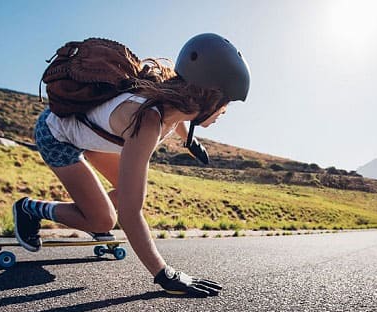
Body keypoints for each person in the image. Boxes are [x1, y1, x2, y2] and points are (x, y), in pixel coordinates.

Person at [13, 33, 250, 297]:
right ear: (210, 98)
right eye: (225, 106)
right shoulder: (147, 122)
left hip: (91, 133)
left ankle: (89, 208)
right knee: (105, 219)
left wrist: (190, 143)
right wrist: (165, 274)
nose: (223, 114)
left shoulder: (173, 100)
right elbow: (130, 214)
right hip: (56, 136)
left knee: (125, 193)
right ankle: (29, 209)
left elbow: (179, 120)